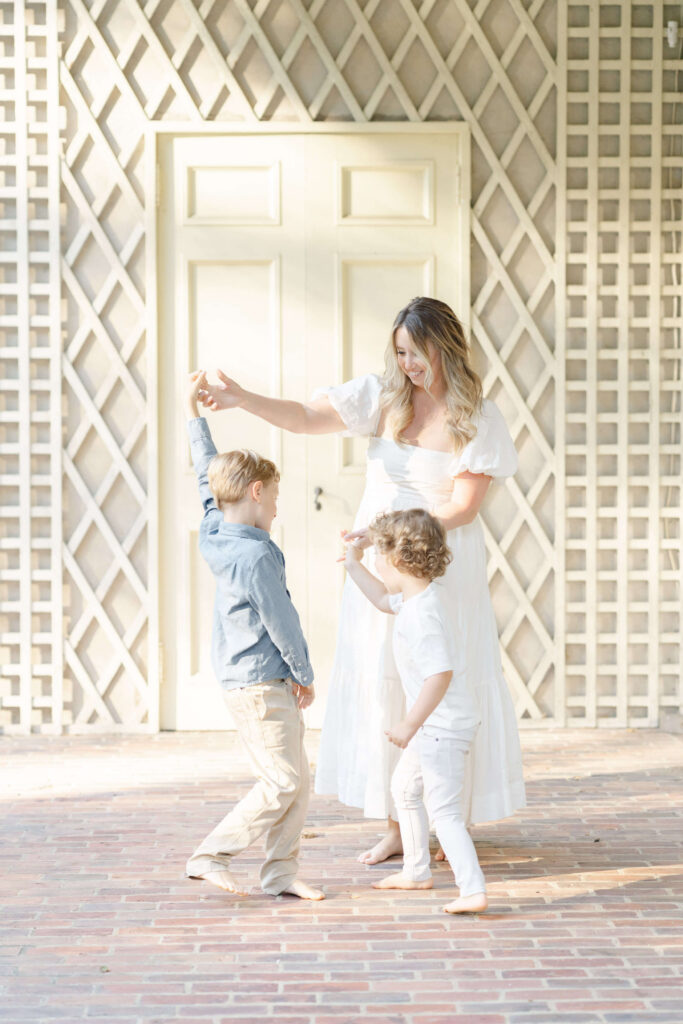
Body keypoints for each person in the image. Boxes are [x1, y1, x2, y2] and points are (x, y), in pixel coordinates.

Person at [197, 296, 526, 864]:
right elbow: (303, 417)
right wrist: (242, 398)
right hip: (381, 561)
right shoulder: (382, 396)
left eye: (417, 353)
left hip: (439, 562)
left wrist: (396, 533)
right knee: (386, 680)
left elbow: (465, 508)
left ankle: (446, 820)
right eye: (400, 352)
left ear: (445, 348)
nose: (408, 365)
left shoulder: (477, 416)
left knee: (439, 679)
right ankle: (401, 826)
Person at [183, 371, 324, 901]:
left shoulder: (216, 527)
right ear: (258, 490)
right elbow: (280, 620)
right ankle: (210, 855)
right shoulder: (258, 553)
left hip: (240, 680)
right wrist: (304, 675)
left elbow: (205, 472)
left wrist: (193, 415)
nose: (277, 508)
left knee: (298, 779)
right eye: (275, 498)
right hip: (263, 682)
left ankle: (280, 874)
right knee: (283, 782)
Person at [344, 508, 487, 914]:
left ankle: (472, 889)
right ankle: (415, 870)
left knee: (443, 812)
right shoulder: (415, 599)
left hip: (442, 726)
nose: (376, 561)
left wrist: (410, 722)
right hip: (435, 725)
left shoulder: (423, 615)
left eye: (379, 554)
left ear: (397, 560)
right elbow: (378, 598)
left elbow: (440, 674)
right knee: (405, 789)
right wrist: (354, 561)